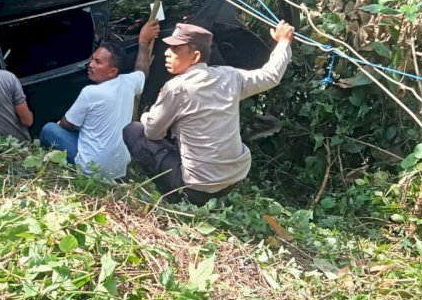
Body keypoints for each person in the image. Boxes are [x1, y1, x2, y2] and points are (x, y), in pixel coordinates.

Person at [123, 20, 294, 204]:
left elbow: (152, 132)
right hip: (233, 178)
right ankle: (215, 197)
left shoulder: (176, 89)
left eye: (175, 50)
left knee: (133, 131)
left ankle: (175, 197)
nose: (166, 53)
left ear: (195, 57)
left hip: (196, 186)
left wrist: (146, 116)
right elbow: (270, 76)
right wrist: (283, 43)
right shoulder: (230, 76)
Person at [40, 19, 160, 179]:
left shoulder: (90, 93)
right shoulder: (128, 82)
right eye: (92, 59)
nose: (90, 64)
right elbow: (142, 71)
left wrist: (63, 125)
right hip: (119, 168)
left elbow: (67, 124)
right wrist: (143, 41)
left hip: (93, 170)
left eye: (98, 62)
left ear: (112, 71)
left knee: (49, 129)